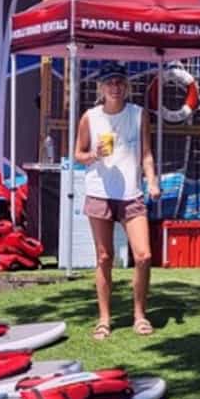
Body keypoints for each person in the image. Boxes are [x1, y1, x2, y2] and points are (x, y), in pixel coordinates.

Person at [73, 61, 161, 340]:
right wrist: (94, 155)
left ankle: (139, 314)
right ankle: (104, 319)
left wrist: (153, 180)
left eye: (119, 82)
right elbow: (79, 154)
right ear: (101, 87)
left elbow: (146, 153)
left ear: (127, 86)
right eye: (109, 82)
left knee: (144, 255)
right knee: (104, 256)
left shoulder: (138, 115)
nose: (115, 87)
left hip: (131, 194)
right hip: (99, 191)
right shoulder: (90, 117)